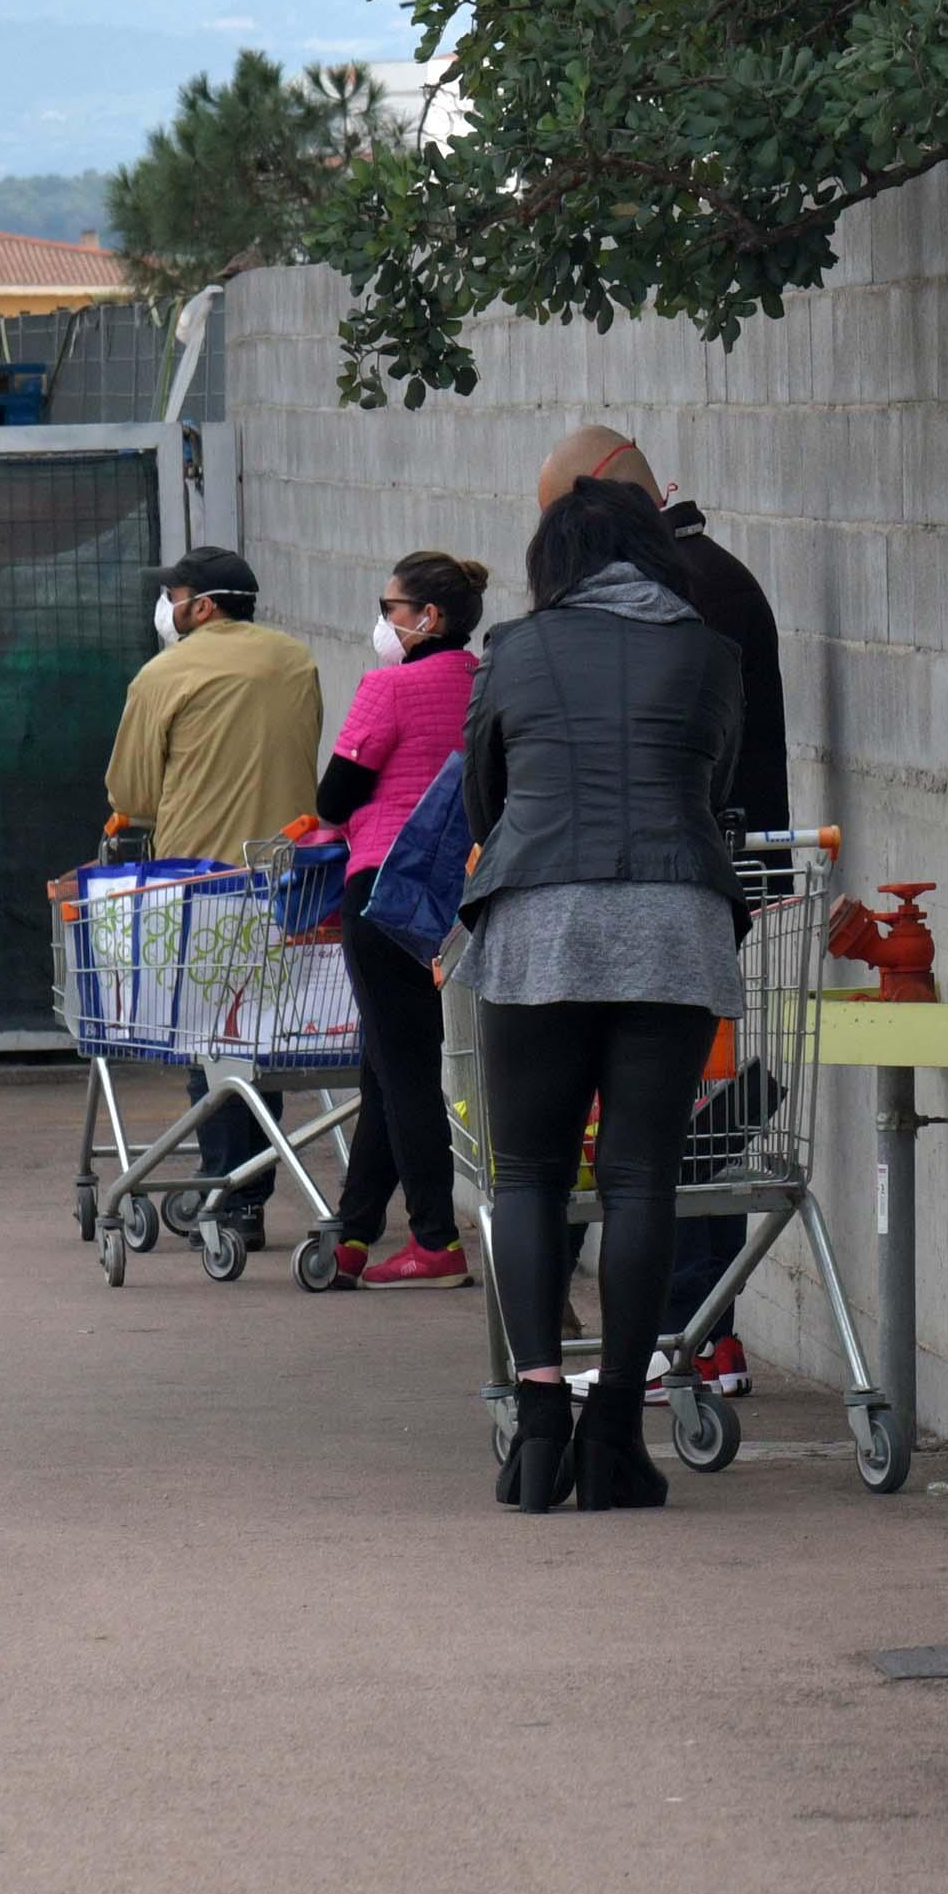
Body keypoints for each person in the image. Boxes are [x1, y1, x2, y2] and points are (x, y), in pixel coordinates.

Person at [462, 462, 747, 1514]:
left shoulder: (514, 650)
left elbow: (481, 792)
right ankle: (618, 1430)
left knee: (528, 1174)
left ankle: (540, 1423)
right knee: (641, 1178)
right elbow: (719, 785)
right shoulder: (707, 654)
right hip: (673, 920)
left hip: (537, 915)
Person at [537, 424, 787, 1398]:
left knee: (670, 1125)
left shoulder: (684, 592)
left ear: (596, 503)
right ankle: (690, 1330)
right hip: (683, 882)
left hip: (677, 886)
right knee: (674, 1120)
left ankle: (692, 1329)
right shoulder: (702, 578)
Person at [104, 546, 326, 1245]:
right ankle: (246, 1186)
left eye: (172, 596)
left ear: (201, 605)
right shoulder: (296, 661)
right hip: (293, 881)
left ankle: (229, 1193)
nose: (165, 610)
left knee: (216, 1045)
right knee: (262, 1043)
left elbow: (132, 796)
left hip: (201, 883)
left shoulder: (162, 674)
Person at [307, 550, 489, 1291]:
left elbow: (334, 797)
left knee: (406, 1064)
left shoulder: (387, 688)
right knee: (386, 1060)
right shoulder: (486, 686)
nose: (382, 621)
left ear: (426, 619)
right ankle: (353, 1230)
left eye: (390, 608)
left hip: (383, 888)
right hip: (457, 891)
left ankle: (435, 1238)